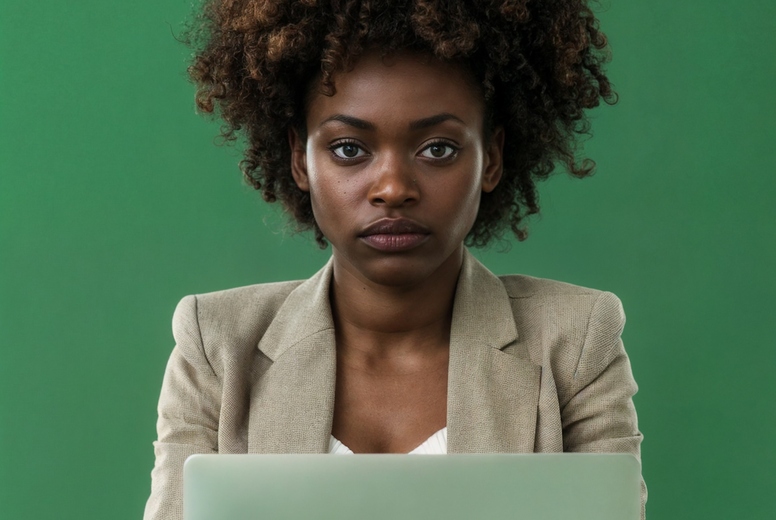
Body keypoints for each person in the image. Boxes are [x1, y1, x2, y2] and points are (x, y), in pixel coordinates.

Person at [144, 1, 646, 519]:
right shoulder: (218, 347)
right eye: (348, 149)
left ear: (491, 159)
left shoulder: (575, 342)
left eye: (438, 149)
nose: (393, 188)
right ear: (299, 159)